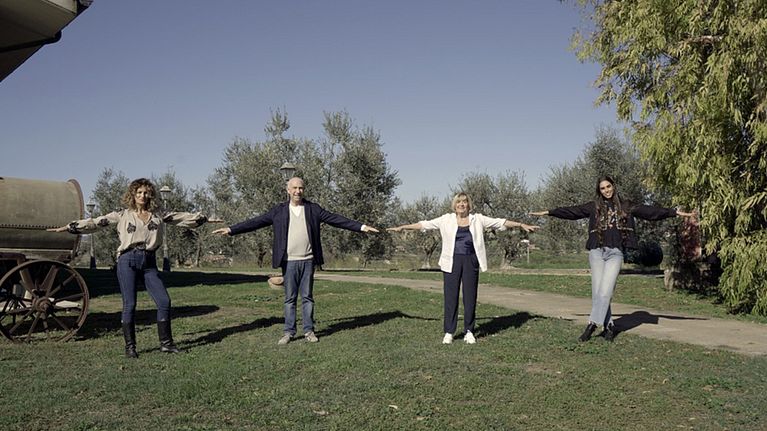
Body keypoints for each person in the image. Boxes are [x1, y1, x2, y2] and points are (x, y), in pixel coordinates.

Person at [49, 178, 220, 358]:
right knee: (130, 304)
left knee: (164, 301)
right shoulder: (122, 215)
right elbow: (96, 222)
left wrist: (205, 219)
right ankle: (130, 348)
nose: (142, 196)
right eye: (139, 192)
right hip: (127, 260)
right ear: (133, 194)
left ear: (150, 195)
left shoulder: (158, 214)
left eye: (146, 192)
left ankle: (166, 344)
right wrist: (69, 227)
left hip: (149, 263)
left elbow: (182, 218)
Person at [212, 177, 379, 345]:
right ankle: (289, 332)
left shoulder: (313, 209)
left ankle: (309, 331)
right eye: (294, 188)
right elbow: (256, 222)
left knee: (307, 297)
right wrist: (231, 229)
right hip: (289, 262)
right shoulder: (278, 211)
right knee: (290, 299)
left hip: (308, 261)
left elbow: (335, 219)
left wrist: (362, 227)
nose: (298, 191)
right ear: (288, 190)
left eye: (301, 188)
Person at [529, 175, 695, 342]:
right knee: (598, 293)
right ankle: (609, 326)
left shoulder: (626, 206)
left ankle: (592, 324)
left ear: (613, 186)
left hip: (615, 253)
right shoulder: (594, 206)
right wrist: (549, 212)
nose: (606, 190)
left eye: (608, 186)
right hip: (596, 252)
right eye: (602, 188)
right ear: (599, 190)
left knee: (606, 291)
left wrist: (675, 212)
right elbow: (572, 212)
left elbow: (650, 212)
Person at [387, 192, 538, 345]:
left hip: (471, 260)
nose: (461, 204)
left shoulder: (477, 219)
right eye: (459, 202)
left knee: (470, 296)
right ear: (455, 205)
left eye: (464, 202)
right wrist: (403, 227)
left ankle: (469, 331)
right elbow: (424, 224)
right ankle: (449, 332)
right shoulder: (446, 219)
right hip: (451, 262)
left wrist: (521, 225)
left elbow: (500, 222)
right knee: (450, 297)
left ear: (469, 205)